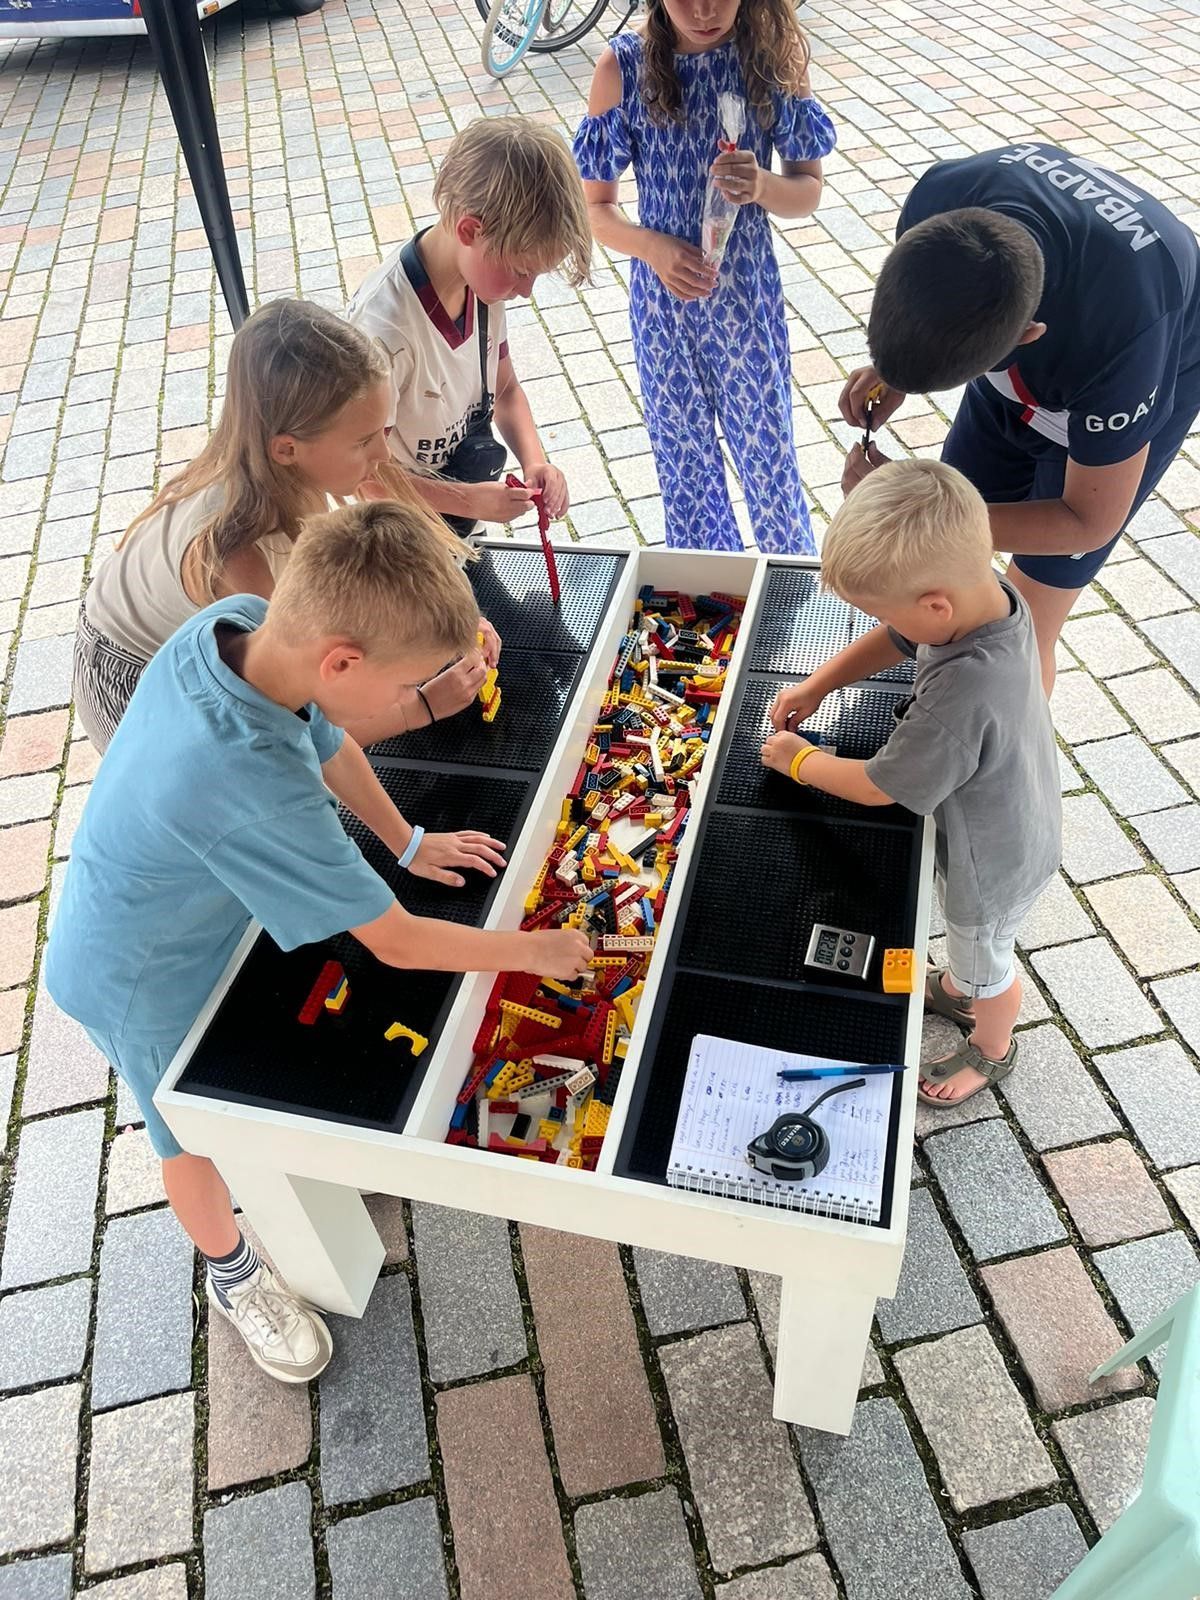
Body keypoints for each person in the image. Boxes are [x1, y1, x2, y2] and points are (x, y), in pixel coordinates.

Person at [45, 501, 593, 1382]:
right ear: (342, 660)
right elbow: (398, 942)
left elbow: (329, 740)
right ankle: (232, 1272)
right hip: (134, 975)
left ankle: (308, 1171)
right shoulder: (250, 784)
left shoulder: (241, 626)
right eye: (409, 688)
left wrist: (407, 841)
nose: (413, 704)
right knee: (187, 1134)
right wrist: (534, 952)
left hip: (202, 911)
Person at [838, 141, 1200, 688]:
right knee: (943, 573)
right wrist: (895, 367)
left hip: (1144, 360)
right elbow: (929, 308)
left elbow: (1088, 521)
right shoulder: (937, 200)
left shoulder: (1125, 338)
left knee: (1026, 630)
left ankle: (1005, 740)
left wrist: (926, 519)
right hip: (1062, 331)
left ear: (1029, 337)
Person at [761, 460, 1061, 1107]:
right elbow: (898, 636)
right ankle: (956, 988)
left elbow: (879, 785)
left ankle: (992, 1047)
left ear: (935, 605)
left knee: (988, 960)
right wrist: (820, 684)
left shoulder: (964, 692)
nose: (880, 621)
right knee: (973, 957)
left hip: (993, 863)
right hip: (1014, 813)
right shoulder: (988, 596)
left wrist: (797, 760)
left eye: (877, 607)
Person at [73, 299, 492, 754]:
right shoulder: (242, 564)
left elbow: (357, 579)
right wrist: (418, 707)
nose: (383, 455)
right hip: (131, 677)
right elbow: (300, 729)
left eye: (382, 432)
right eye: (363, 442)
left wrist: (449, 624)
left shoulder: (290, 470)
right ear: (287, 448)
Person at [573, 0, 835, 554]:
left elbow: (808, 188)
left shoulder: (772, 55)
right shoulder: (623, 67)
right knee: (685, 475)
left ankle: (790, 591)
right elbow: (594, 208)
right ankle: (712, 594)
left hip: (747, 302)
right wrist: (651, 247)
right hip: (663, 309)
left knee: (770, 466)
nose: (704, 9)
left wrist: (762, 185)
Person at [347, 116, 591, 539]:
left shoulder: (482, 285)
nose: (526, 292)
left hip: (459, 526)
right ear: (471, 230)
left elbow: (506, 389)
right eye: (522, 271)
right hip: (400, 539)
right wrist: (467, 501)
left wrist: (534, 461)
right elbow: (363, 475)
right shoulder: (383, 332)